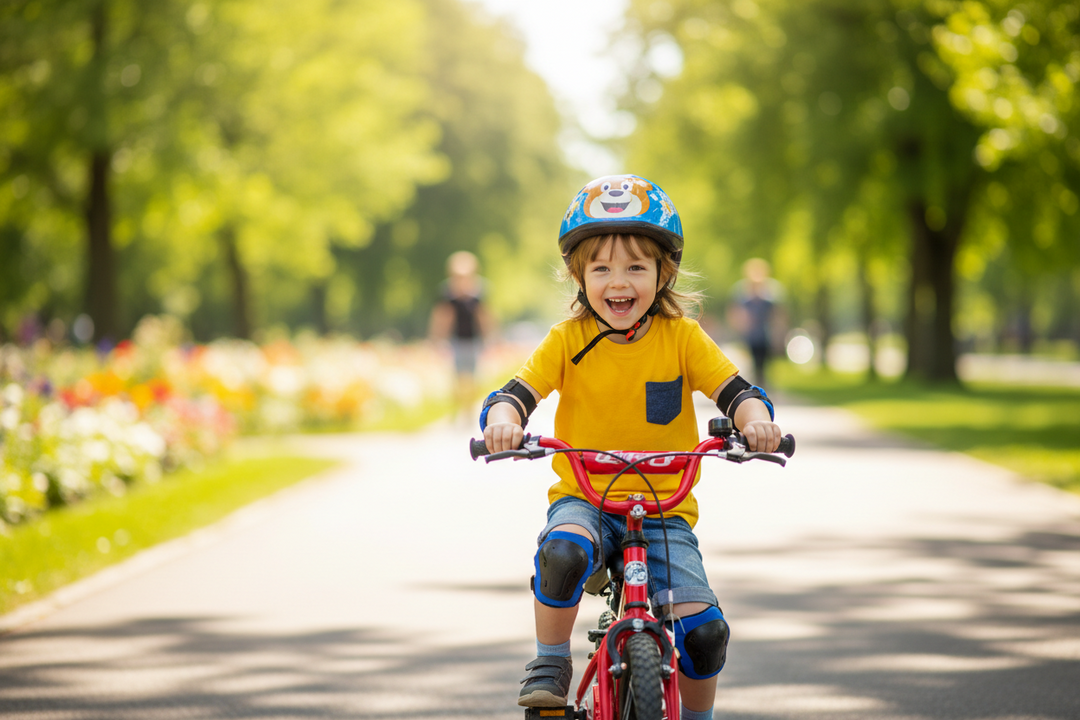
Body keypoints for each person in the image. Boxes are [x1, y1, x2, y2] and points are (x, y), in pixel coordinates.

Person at [480, 175, 783, 720]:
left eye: (635, 267)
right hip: (586, 497)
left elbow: (737, 391)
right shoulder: (566, 339)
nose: (618, 282)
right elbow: (515, 394)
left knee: (705, 635)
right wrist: (504, 418)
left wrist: (755, 419)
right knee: (562, 552)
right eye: (601, 268)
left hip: (665, 511)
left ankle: (698, 717)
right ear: (579, 275)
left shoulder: (683, 337)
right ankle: (551, 663)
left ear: (664, 273)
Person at [429, 251, 493, 424]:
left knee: (472, 378)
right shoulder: (447, 293)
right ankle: (456, 410)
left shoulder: (479, 291)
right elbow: (442, 317)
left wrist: (490, 337)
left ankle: (469, 411)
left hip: (473, 340)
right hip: (456, 341)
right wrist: (437, 338)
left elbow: (484, 316)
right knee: (457, 377)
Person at [728, 258, 785, 388]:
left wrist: (779, 333)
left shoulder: (771, 294)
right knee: (753, 361)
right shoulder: (742, 294)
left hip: (766, 335)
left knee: (765, 361)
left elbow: (778, 315)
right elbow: (735, 313)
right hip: (751, 335)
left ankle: (762, 383)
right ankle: (757, 383)